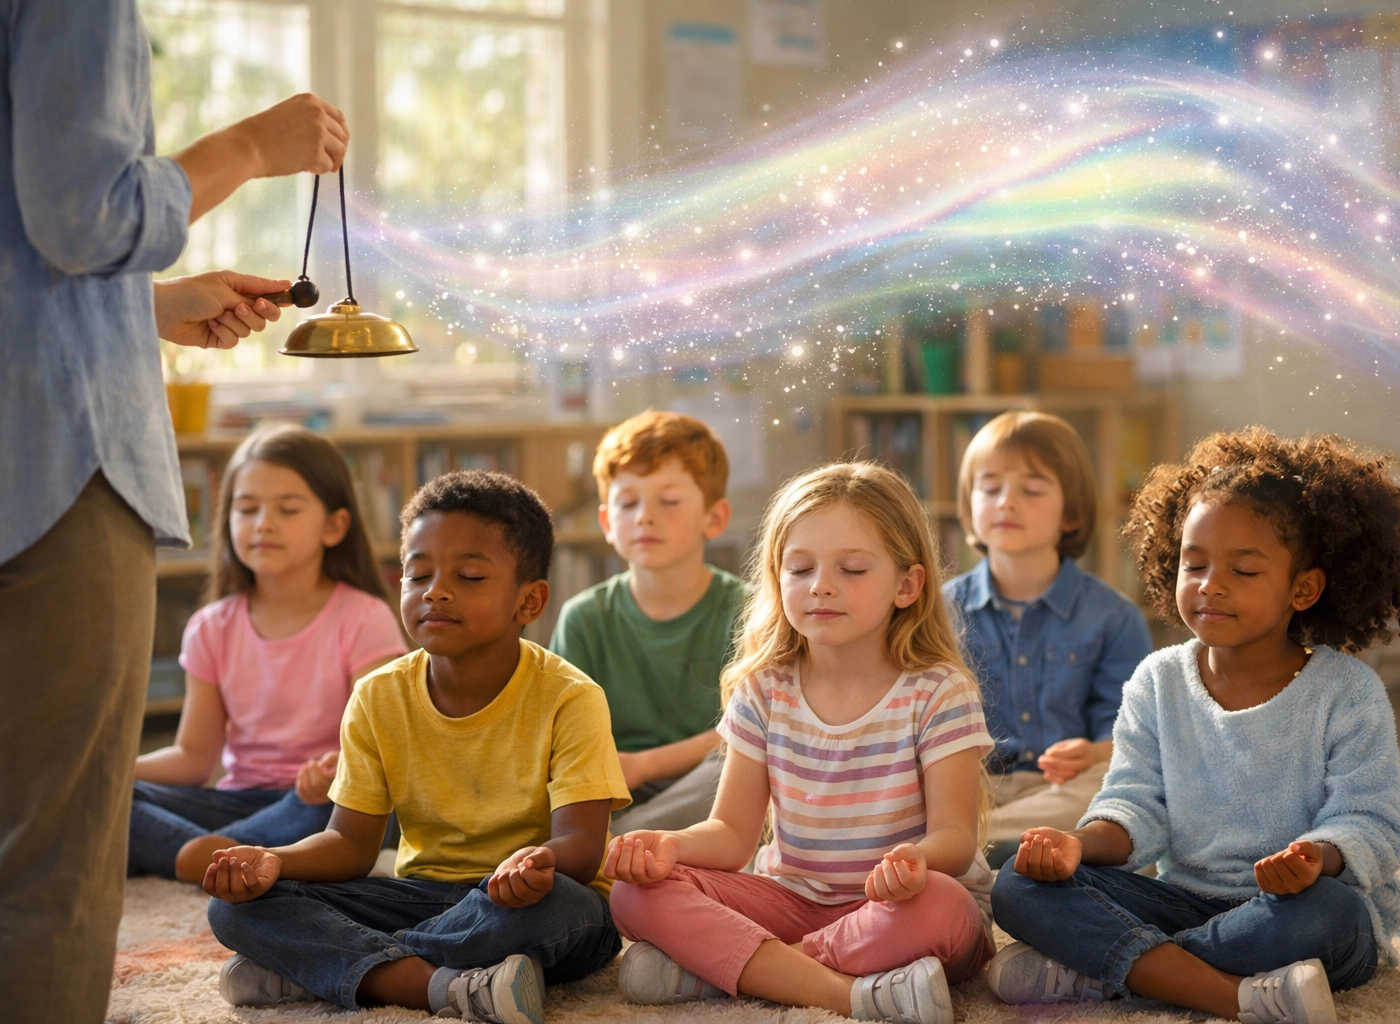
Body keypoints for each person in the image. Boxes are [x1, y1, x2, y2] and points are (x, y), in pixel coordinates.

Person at [0, 0, 350, 1018]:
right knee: (52, 857)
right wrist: (249, 145)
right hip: (56, 457)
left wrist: (143, 305)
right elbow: (84, 217)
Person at [987, 429, 1400, 1024]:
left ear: (1304, 588)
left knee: (1332, 915)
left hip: (1292, 912)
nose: (1210, 584)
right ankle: (1228, 994)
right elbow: (1133, 806)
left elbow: (1372, 824)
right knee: (1016, 884)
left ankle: (1115, 972)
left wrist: (1317, 859)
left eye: (1243, 570)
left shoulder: (1347, 692)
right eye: (1194, 564)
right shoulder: (1157, 679)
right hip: (1180, 903)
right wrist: (1075, 846)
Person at [203, 470, 629, 1022]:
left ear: (530, 601)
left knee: (567, 909)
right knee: (234, 909)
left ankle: (330, 970)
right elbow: (350, 845)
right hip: (422, 894)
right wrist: (272, 861)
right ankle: (436, 985)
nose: (436, 591)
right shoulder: (378, 696)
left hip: (526, 903)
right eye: (417, 574)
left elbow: (583, 844)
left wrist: (539, 860)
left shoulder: (570, 697)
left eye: (470, 575)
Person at [605, 462, 996, 1024]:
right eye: (801, 567)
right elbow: (731, 836)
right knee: (633, 894)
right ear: (776, 577)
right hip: (789, 903)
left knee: (944, 908)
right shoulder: (763, 689)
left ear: (907, 585)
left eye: (853, 569)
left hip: (897, 908)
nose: (822, 586)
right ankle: (844, 993)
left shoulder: (937, 692)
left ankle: (732, 972)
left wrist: (916, 860)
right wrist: (669, 845)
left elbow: (955, 839)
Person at [130, 427, 408, 882]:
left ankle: (194, 854)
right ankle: (221, 855)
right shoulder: (211, 626)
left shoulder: (363, 617)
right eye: (247, 509)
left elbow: (386, 747)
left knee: (345, 816)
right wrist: (110, 770)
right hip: (241, 798)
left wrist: (337, 773)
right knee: (108, 797)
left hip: (325, 803)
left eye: (288, 509)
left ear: (334, 526)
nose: (263, 523)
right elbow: (194, 758)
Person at [942, 412, 1151, 854]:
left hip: (1067, 791)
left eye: (1032, 489)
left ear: (1071, 514)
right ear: (968, 507)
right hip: (969, 790)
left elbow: (1131, 742)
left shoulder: (1114, 617)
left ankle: (973, 844)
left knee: (1123, 793)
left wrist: (1091, 753)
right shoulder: (938, 612)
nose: (1006, 502)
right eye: (990, 487)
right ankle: (985, 839)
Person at [550, 411, 748, 831]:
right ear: (606, 522)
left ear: (714, 517)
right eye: (627, 503)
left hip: (708, 791)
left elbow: (754, 732)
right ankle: (624, 847)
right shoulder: (584, 618)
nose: (644, 516)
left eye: (669, 501)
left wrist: (644, 764)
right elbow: (563, 739)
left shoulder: (750, 611)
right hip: (612, 790)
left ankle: (618, 850)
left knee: (745, 762)